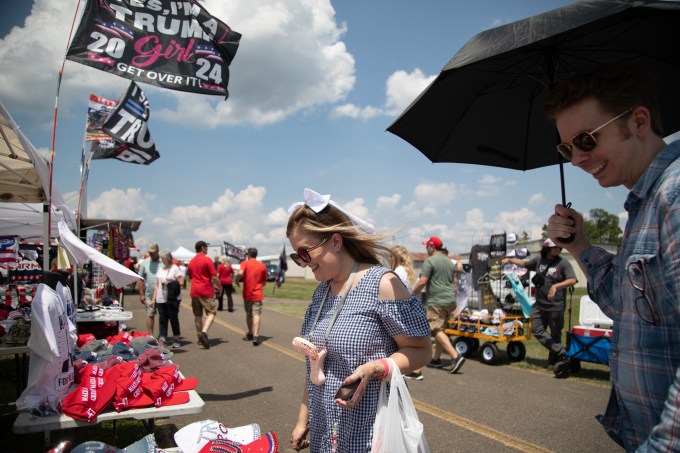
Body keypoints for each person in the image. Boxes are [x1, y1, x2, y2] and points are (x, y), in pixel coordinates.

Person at [544, 65, 680, 451]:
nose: (577, 159)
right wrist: (580, 245)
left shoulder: (674, 194)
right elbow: (625, 305)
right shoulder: (645, 205)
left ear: (638, 121)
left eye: (586, 140)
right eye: (566, 148)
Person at [286, 188, 431, 452]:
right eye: (297, 257)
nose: (303, 263)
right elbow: (314, 366)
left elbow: (421, 350)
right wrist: (302, 419)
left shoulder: (382, 284)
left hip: (370, 433)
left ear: (336, 241)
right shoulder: (321, 291)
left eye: (306, 253)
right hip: (325, 431)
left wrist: (377, 368)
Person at [502, 239, 577, 368]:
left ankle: (553, 362)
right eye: (554, 247)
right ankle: (561, 352)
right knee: (536, 329)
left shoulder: (563, 263)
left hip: (556, 306)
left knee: (555, 334)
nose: (557, 249)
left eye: (559, 247)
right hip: (539, 304)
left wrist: (556, 287)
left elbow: (573, 280)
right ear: (547, 248)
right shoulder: (538, 260)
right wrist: (510, 260)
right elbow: (524, 264)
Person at [411, 236, 465, 378]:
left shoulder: (430, 261)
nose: (425, 249)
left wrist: (411, 293)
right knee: (441, 329)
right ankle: (436, 359)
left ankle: (455, 356)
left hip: (436, 300)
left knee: (435, 330)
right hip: (450, 299)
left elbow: (423, 280)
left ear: (432, 247)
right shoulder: (449, 261)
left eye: (427, 246)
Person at [187, 240, 221, 349]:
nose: (207, 249)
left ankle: (199, 336)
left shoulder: (191, 261)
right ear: (202, 248)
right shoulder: (207, 260)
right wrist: (219, 287)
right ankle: (204, 332)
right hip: (205, 291)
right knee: (212, 312)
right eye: (206, 247)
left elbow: (190, 277)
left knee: (198, 315)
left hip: (194, 291)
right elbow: (214, 277)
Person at [151, 250, 184, 348]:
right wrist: (154, 299)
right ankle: (163, 337)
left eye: (163, 258)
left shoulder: (175, 268)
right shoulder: (161, 269)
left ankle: (176, 337)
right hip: (161, 297)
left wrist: (169, 281)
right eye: (161, 259)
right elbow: (157, 285)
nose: (162, 260)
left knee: (173, 317)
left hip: (172, 298)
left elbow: (181, 282)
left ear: (168, 258)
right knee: (162, 318)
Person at [235, 248, 268, 346]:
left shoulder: (245, 263)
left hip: (247, 294)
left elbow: (240, 273)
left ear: (249, 254)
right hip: (257, 294)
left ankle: (250, 332)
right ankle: (256, 336)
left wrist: (236, 280)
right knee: (256, 314)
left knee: (249, 314)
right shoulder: (262, 266)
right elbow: (265, 281)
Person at [137, 243, 161, 335]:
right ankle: (150, 335)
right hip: (149, 294)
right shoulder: (145, 263)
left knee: (163, 317)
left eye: (153, 252)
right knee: (150, 314)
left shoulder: (163, 262)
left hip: (162, 294)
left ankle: (162, 335)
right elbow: (140, 279)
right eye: (150, 252)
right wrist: (141, 294)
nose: (151, 254)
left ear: (157, 251)